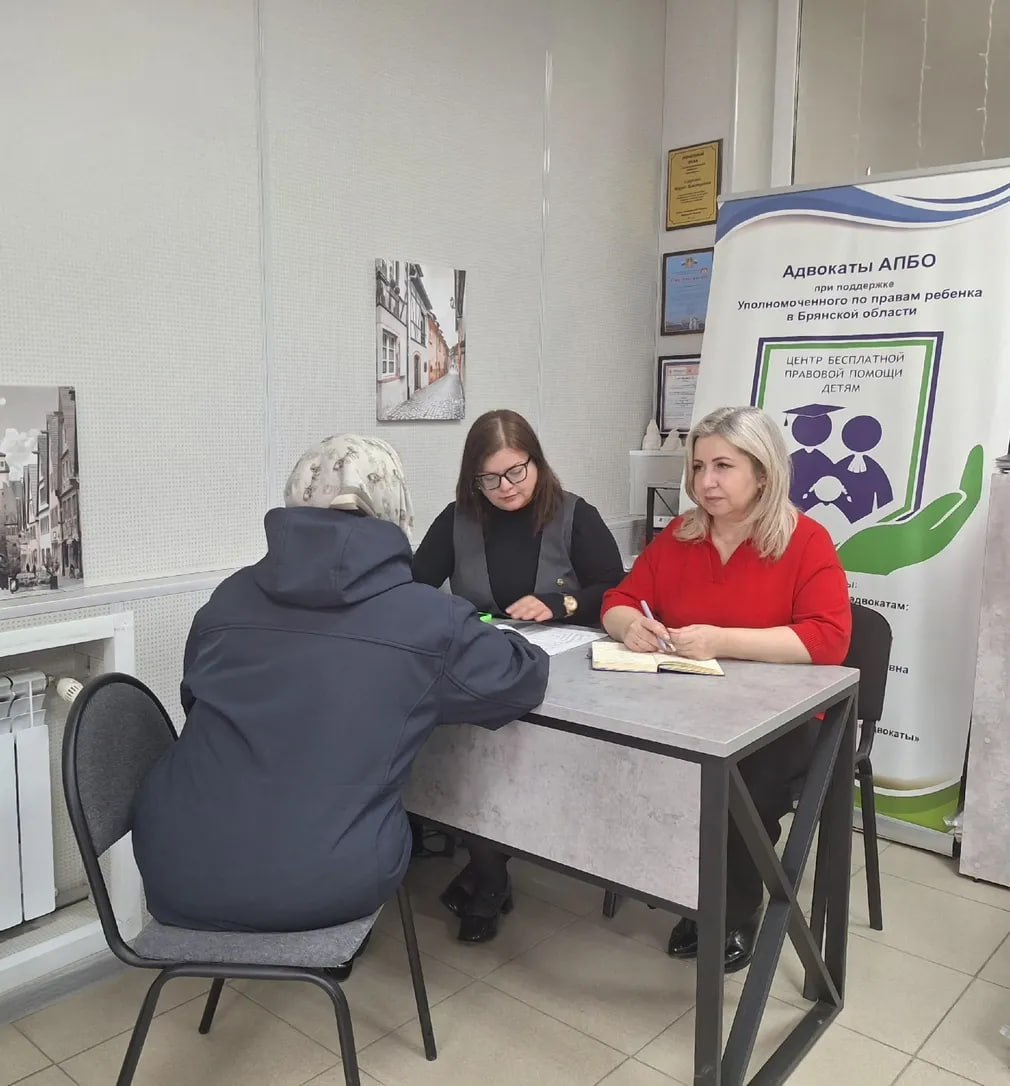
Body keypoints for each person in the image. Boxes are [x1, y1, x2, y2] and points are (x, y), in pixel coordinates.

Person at [132, 435, 548, 978]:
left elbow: (195, 702)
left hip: (173, 868)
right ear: (395, 508)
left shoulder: (228, 597)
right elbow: (521, 680)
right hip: (321, 883)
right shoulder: (429, 619)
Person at [601, 405, 851, 973]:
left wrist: (721, 640)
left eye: (722, 466)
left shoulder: (806, 541)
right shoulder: (680, 536)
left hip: (781, 719)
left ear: (762, 472)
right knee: (637, 763)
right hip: (689, 705)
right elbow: (619, 599)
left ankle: (734, 907)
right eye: (697, 467)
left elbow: (829, 639)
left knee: (738, 786)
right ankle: (671, 882)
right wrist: (628, 625)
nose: (705, 482)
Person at [413, 408, 624, 942]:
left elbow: (614, 587)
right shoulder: (457, 519)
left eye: (515, 472)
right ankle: (488, 874)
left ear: (537, 462)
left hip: (564, 670)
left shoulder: (575, 515)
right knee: (477, 755)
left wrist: (562, 602)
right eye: (489, 479)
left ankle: (490, 868)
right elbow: (414, 585)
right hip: (486, 669)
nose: (505, 488)